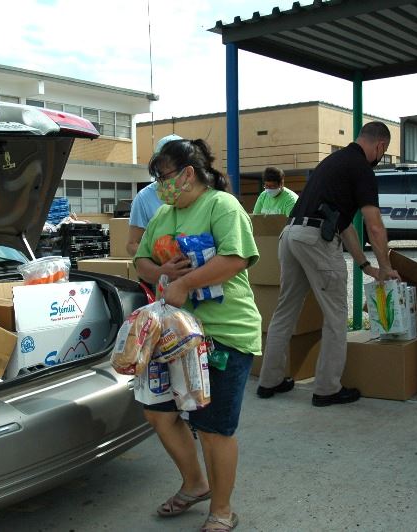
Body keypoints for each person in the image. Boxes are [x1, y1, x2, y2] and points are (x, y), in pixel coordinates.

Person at [134, 138, 260, 532]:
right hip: (173, 334)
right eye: (157, 179)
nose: (160, 186)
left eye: (164, 177)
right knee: (158, 412)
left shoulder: (222, 206)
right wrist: (163, 272)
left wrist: (186, 284)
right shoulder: (163, 215)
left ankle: (222, 510)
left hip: (222, 333)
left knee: (212, 427)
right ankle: (195, 484)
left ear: (188, 173)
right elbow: (140, 260)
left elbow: (236, 258)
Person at [256, 121, 401, 406]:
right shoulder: (362, 169)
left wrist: (365, 265)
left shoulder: (331, 163)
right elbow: (374, 225)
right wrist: (386, 267)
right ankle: (327, 389)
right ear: (381, 146)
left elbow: (344, 225)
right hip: (315, 239)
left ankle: (268, 381)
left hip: (291, 234)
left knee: (285, 310)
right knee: (336, 315)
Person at [126, 134, 183, 256]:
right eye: (162, 176)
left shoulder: (207, 198)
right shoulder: (144, 198)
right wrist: (158, 259)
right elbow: (132, 244)